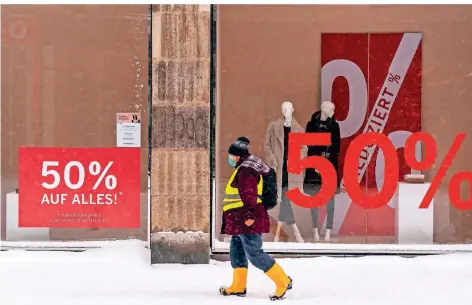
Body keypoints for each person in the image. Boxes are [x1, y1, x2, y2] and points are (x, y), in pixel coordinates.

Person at [219, 136, 293, 301]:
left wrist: (250, 215)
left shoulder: (246, 170)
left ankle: (283, 281)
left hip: (247, 220)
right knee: (236, 252)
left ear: (237, 156)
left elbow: (249, 194)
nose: (230, 159)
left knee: (254, 254)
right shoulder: (245, 167)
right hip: (240, 221)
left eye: (231, 156)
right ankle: (238, 285)